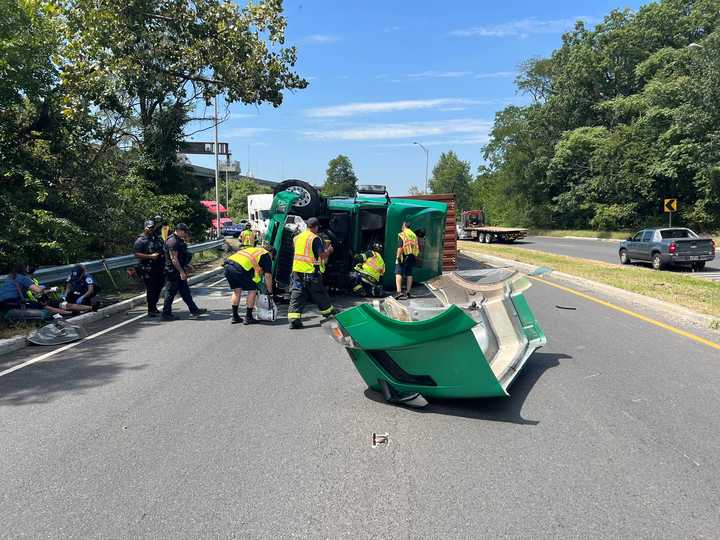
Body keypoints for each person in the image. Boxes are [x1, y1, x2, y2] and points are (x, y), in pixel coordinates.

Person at [287, 217, 335, 329]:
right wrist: (329, 251)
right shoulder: (315, 238)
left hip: (297, 271)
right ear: (315, 227)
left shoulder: (297, 237)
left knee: (297, 294)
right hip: (311, 272)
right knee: (319, 293)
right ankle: (329, 314)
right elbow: (322, 255)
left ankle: (294, 319)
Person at [162, 223, 207, 320]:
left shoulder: (178, 240)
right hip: (172, 271)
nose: (186, 234)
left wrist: (187, 265)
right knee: (170, 293)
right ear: (179, 231)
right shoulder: (172, 241)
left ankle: (194, 310)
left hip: (178, 269)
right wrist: (181, 272)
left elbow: (181, 256)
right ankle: (166, 314)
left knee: (185, 291)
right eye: (185, 232)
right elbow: (174, 259)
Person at [223, 244, 275, 325]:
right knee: (252, 290)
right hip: (240, 268)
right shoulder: (265, 254)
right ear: (271, 253)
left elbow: (254, 267)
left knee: (237, 291)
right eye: (272, 258)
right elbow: (268, 276)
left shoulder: (252, 250)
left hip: (228, 266)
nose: (271, 259)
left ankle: (235, 317)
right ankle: (248, 317)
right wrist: (270, 291)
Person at [134, 219, 166, 316]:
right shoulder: (140, 240)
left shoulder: (157, 238)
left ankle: (154, 306)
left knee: (159, 287)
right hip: (147, 268)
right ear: (145, 228)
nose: (152, 229)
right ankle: (150, 309)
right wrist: (150, 256)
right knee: (151, 289)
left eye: (153, 227)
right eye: (150, 228)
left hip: (159, 267)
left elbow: (163, 249)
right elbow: (136, 254)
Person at [395, 221, 420, 299]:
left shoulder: (403, 234)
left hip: (404, 254)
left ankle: (399, 292)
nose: (402, 227)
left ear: (404, 226)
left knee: (398, 272)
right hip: (412, 255)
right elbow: (416, 246)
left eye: (402, 225)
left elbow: (400, 246)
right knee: (409, 273)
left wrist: (398, 257)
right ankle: (408, 292)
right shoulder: (413, 235)